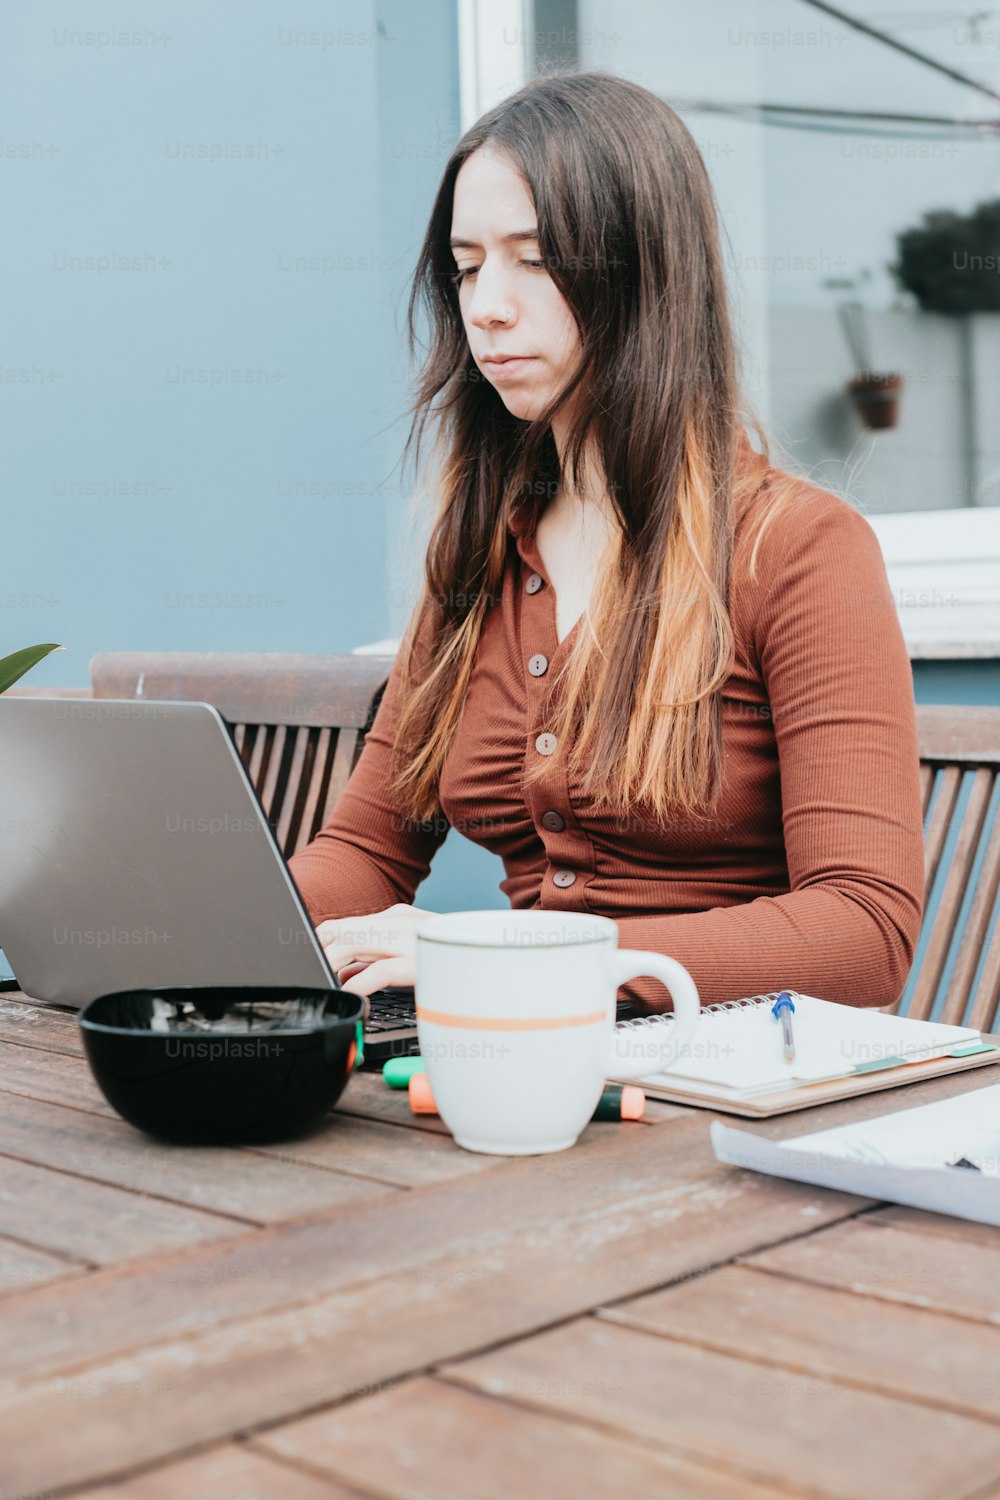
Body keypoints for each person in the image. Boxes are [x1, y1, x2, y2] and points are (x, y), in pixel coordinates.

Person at [287, 71, 925, 1014]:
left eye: (533, 259)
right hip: (515, 1057)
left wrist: (507, 955)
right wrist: (182, 924)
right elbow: (370, 849)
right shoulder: (482, 552)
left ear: (644, 272)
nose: (487, 307)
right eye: (467, 266)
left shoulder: (798, 550)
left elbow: (863, 932)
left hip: (715, 1086)